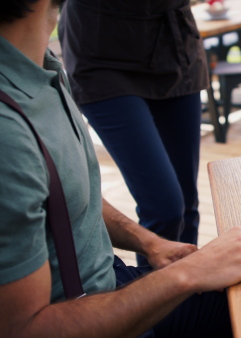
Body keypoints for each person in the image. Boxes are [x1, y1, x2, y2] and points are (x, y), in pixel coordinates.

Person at [0, 1, 241, 336]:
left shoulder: (42, 70)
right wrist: (186, 274)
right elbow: (22, 329)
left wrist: (150, 243)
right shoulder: (9, 132)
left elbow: (64, 192)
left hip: (112, 280)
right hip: (86, 313)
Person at [58, 0, 208, 266]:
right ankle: (157, 300)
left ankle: (187, 296)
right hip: (100, 47)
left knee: (186, 205)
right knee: (165, 208)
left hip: (173, 42)